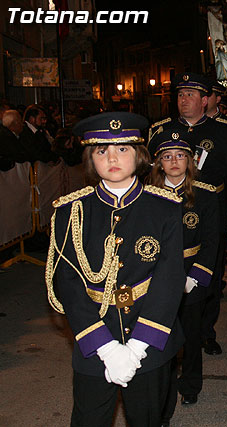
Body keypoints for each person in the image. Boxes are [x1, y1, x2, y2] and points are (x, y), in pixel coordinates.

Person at [44, 112, 185, 426]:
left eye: (122, 149)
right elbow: (67, 280)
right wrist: (105, 347)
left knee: (146, 418)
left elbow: (169, 280)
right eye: (101, 151)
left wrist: (136, 347)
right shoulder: (71, 211)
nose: (112, 158)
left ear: (140, 156)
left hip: (149, 341)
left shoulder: (165, 207)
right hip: (94, 337)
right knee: (88, 418)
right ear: (90, 159)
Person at [149, 72, 227, 356]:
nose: (184, 100)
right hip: (168, 211)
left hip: (210, 211)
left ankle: (205, 331)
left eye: (191, 95)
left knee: (210, 274)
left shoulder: (224, 131)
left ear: (205, 100)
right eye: (181, 95)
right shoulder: (160, 130)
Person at [147, 129, 220, 421]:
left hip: (191, 276)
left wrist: (196, 277)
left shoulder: (204, 194)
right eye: (167, 157)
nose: (174, 162)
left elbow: (213, 241)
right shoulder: (147, 195)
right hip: (156, 277)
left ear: (190, 161)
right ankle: (161, 388)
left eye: (180, 156)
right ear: (158, 164)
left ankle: (190, 384)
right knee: (159, 335)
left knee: (190, 335)